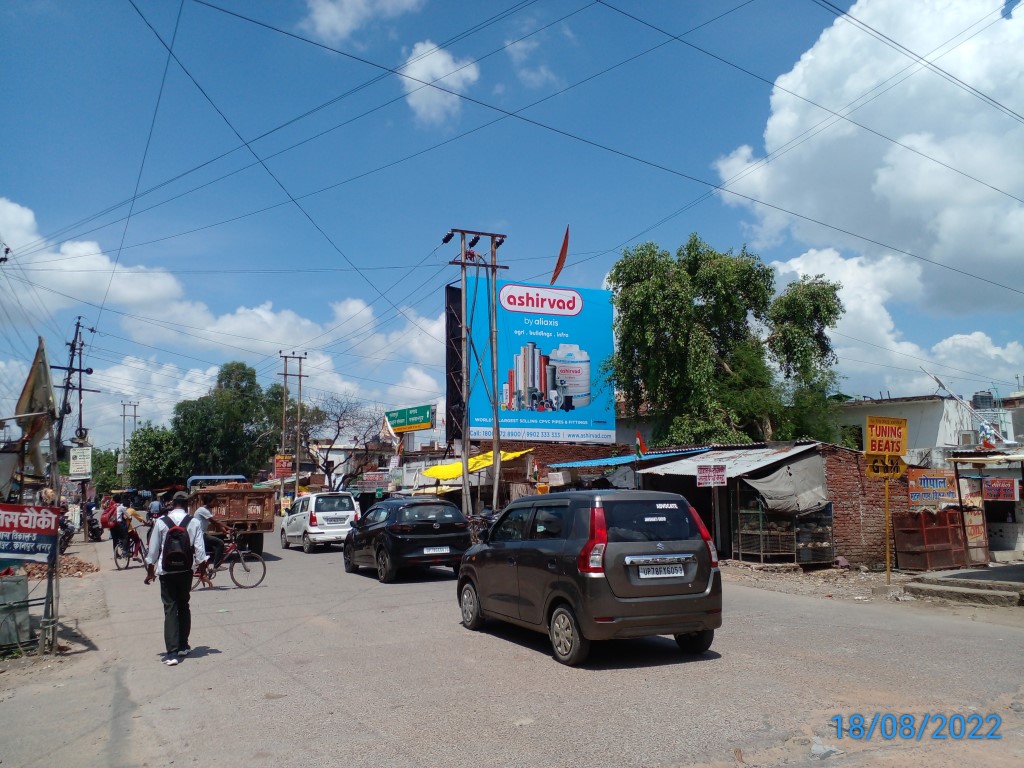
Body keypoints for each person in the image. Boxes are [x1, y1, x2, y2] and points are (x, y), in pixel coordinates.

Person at [144, 491, 207, 666]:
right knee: (184, 606)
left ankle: (172, 653)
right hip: (186, 571)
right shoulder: (193, 522)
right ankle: (183, 645)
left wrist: (150, 572)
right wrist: (203, 573)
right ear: (187, 504)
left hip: (166, 572)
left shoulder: (161, 522)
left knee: (170, 608)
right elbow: (200, 553)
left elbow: (153, 550)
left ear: (172, 503)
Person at [193, 493, 229, 569]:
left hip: (200, 534)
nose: (215, 503)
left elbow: (214, 523)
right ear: (209, 501)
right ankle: (217, 565)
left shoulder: (205, 510)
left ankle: (206, 565)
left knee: (214, 546)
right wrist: (229, 528)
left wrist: (224, 531)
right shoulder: (203, 510)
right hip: (200, 535)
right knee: (220, 543)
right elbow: (216, 521)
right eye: (214, 501)